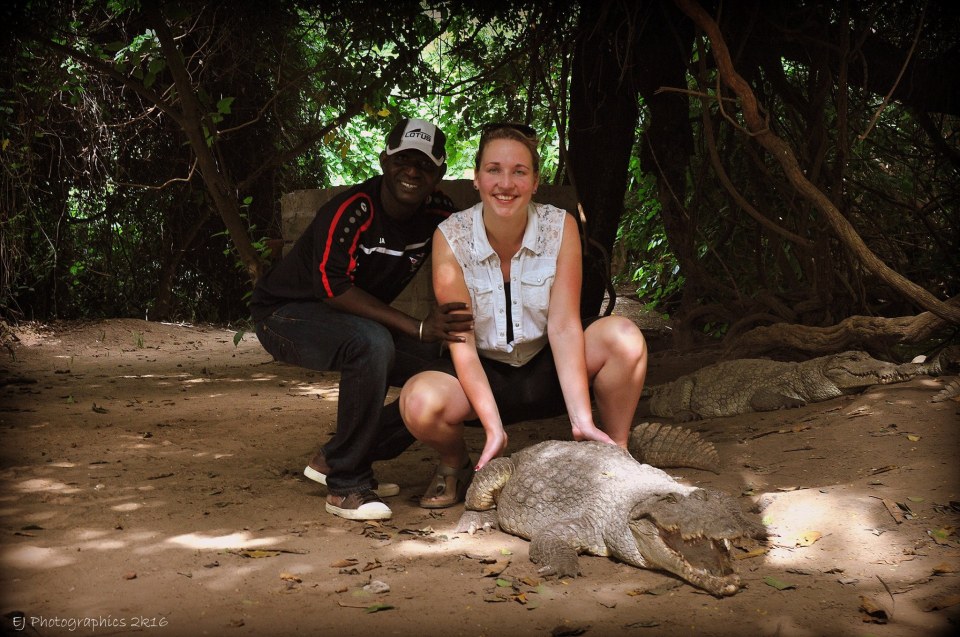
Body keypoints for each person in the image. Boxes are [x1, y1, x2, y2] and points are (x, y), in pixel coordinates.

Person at [399, 123, 649, 509]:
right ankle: (455, 464)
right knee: (418, 400)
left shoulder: (559, 226)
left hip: (547, 363)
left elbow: (564, 324)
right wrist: (492, 427)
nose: (506, 183)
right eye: (494, 170)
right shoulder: (450, 236)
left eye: (519, 172)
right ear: (477, 179)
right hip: (482, 373)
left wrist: (581, 418)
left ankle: (614, 452)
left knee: (624, 338)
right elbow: (460, 340)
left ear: (535, 182)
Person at [250, 118, 473, 521]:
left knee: (450, 370)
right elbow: (332, 289)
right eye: (403, 159)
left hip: (351, 321)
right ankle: (346, 485)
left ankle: (340, 456)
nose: (411, 171)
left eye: (423, 164)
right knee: (372, 343)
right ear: (384, 160)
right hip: (283, 315)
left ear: (438, 173)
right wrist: (418, 327)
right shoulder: (353, 211)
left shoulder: (440, 214)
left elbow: (473, 257)